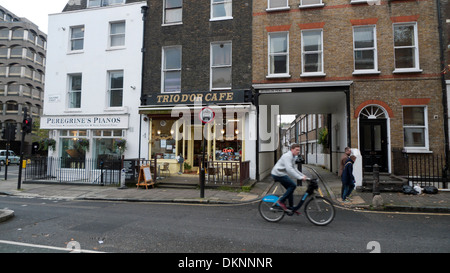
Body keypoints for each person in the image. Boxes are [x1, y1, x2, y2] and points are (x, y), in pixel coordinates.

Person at [271, 143, 309, 212]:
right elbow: (289, 169)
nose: (298, 151)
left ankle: (291, 208)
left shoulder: (293, 157)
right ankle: (281, 201)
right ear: (292, 149)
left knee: (290, 189)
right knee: (293, 185)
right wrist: (300, 177)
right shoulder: (288, 156)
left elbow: (294, 168)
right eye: (296, 150)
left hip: (282, 174)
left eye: (299, 150)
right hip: (277, 174)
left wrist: (302, 175)